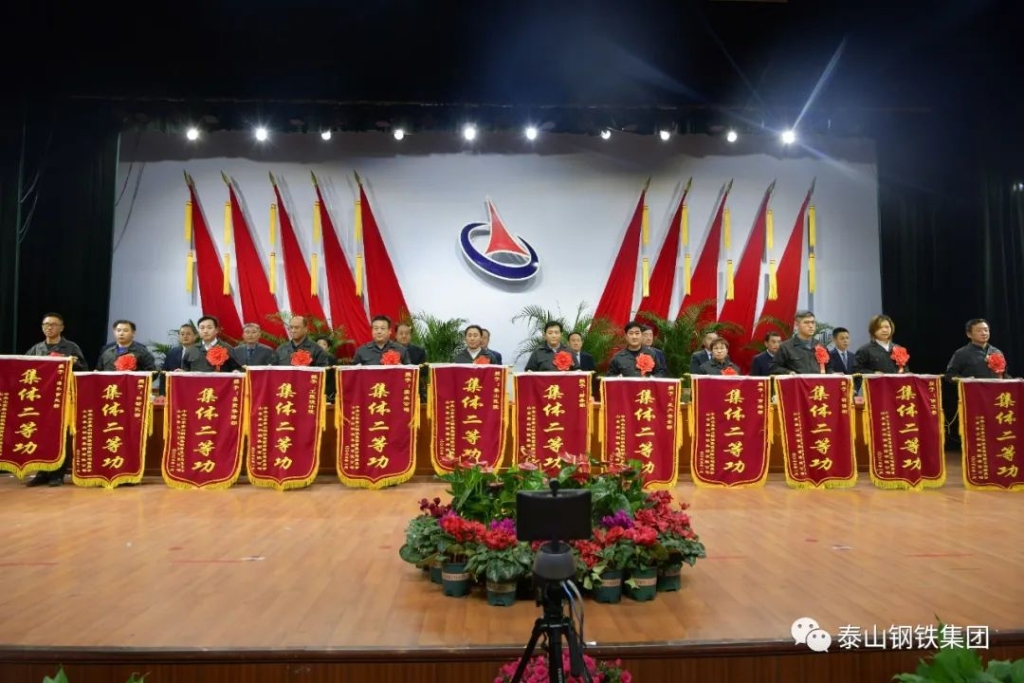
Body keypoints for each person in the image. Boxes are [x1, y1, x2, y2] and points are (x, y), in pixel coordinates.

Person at [23, 313, 88, 487]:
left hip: (63, 398)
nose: (49, 327)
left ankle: (57, 474)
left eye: (53, 324)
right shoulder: (37, 349)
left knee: (61, 435)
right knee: (41, 435)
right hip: (41, 399)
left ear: (61, 327)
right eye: (46, 324)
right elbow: (25, 368)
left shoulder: (71, 347)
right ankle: (42, 472)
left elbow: (84, 370)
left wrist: (73, 363)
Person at [945, 318, 1010, 380]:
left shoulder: (997, 351)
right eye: (979, 331)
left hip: (996, 387)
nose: (984, 333)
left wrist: (1014, 381)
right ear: (969, 334)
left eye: (986, 330)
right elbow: (950, 374)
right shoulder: (961, 353)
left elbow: (1004, 374)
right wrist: (967, 380)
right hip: (974, 387)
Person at [770, 310, 827, 375]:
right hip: (797, 381)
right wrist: (788, 372)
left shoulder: (820, 345)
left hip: (818, 381)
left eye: (813, 322)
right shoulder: (786, 347)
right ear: (797, 325)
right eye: (806, 322)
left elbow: (829, 367)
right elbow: (774, 367)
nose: (811, 326)